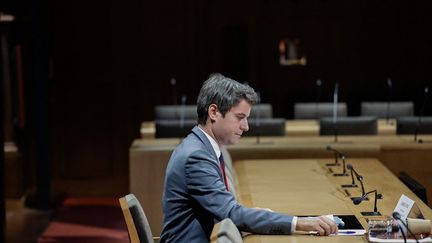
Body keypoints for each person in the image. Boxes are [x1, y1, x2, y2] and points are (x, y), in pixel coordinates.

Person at [160, 73, 338, 242]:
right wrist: (301, 223)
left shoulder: (200, 146)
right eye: (240, 117)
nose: (246, 127)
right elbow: (231, 213)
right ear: (213, 112)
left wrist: (252, 214)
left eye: (247, 118)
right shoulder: (196, 157)